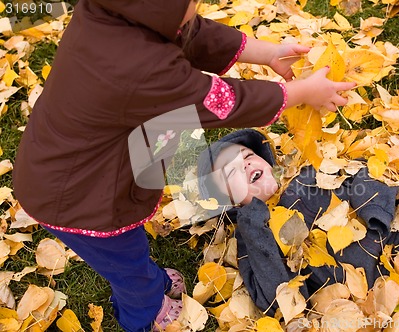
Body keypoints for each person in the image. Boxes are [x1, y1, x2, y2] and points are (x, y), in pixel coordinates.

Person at [12, 0, 356, 330]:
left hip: (77, 164)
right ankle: (145, 313)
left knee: (128, 252)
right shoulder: (139, 68)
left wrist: (267, 53)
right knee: (125, 262)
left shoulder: (112, 13)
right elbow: (222, 102)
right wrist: (298, 92)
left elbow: (194, 33)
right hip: (78, 199)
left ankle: (147, 277)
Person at [197, 129, 399, 316]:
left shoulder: (306, 172)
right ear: (231, 203)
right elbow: (274, 301)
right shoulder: (250, 236)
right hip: (364, 300)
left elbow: (368, 169)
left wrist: (375, 211)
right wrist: (252, 225)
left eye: (248, 155)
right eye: (232, 171)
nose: (246, 165)